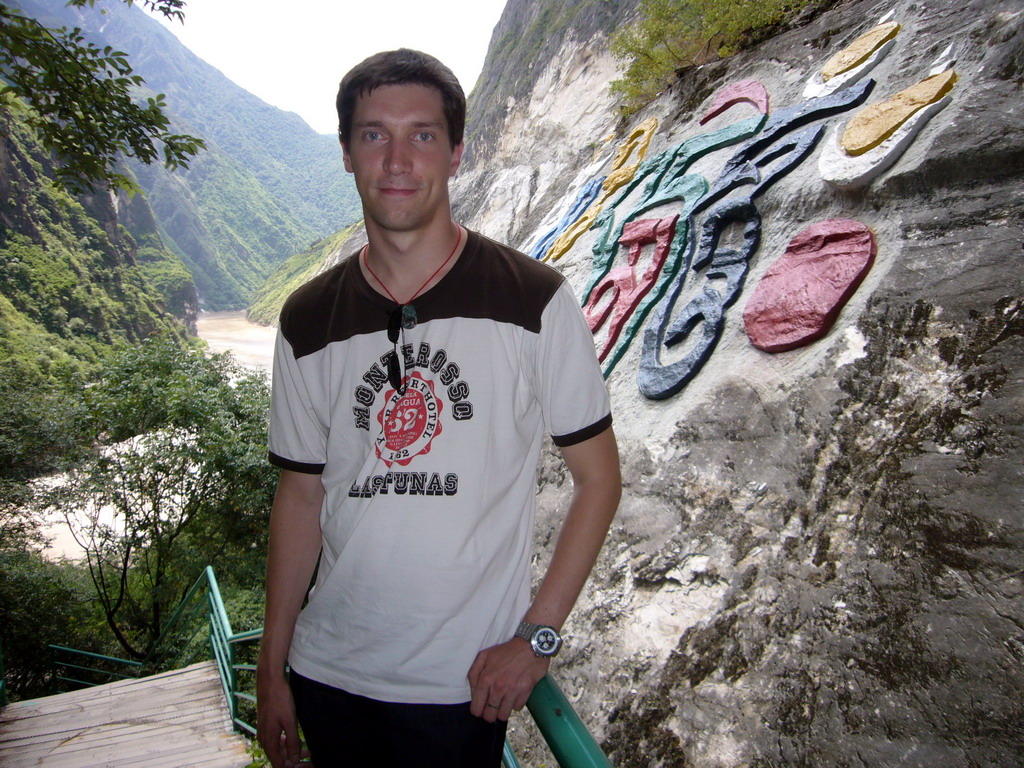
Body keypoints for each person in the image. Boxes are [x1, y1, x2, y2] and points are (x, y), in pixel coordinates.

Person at [256, 48, 621, 768]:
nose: (396, 160)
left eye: (421, 135)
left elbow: (599, 481)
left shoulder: (533, 301)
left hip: (460, 688)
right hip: (327, 674)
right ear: (345, 154)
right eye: (373, 135)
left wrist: (537, 637)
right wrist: (272, 666)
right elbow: (299, 497)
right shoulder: (307, 318)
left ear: (456, 153)